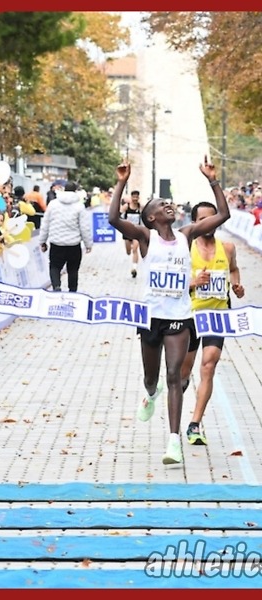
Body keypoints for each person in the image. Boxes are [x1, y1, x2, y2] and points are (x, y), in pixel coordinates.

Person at [108, 156, 230, 465]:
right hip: (151, 318)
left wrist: (212, 180)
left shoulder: (186, 235)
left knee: (174, 375)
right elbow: (113, 220)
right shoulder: (145, 237)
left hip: (179, 317)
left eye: (169, 204)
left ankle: (173, 441)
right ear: (150, 218)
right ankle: (150, 394)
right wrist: (122, 182)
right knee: (153, 378)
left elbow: (224, 215)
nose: (169, 206)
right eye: (162, 206)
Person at [180, 201, 245, 446]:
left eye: (212, 218)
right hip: (190, 316)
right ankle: (172, 396)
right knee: (182, 373)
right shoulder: (185, 248)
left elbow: (234, 270)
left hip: (218, 317)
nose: (208, 224)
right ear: (195, 222)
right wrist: (194, 282)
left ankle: (195, 424)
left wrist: (236, 285)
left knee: (209, 365)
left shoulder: (227, 248)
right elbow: (173, 284)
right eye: (202, 219)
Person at [39, 181, 93, 292]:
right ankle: (72, 292)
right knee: (73, 270)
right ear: (75, 191)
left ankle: (56, 286)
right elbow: (84, 227)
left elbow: (45, 224)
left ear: (64, 189)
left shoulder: (53, 204)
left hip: (56, 243)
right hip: (73, 245)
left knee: (54, 266)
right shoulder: (79, 206)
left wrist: (42, 241)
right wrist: (88, 244)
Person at [120, 189, 142, 278]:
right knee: (128, 251)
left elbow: (145, 216)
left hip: (136, 231)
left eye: (137, 197)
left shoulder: (140, 207)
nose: (135, 199)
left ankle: (134, 268)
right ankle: (130, 247)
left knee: (135, 250)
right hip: (127, 231)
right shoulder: (126, 206)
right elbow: (118, 215)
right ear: (131, 197)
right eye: (134, 197)